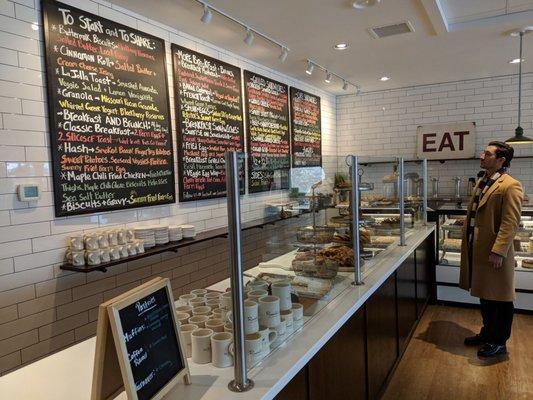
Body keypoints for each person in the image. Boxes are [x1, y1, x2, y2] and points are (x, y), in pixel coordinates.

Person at [459, 141, 523, 358]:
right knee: (486, 296)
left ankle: (499, 342)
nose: (481, 156)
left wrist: (499, 251)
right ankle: (487, 333)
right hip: (478, 249)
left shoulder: (510, 185)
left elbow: (510, 221)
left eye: (487, 153)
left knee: (501, 298)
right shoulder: (483, 181)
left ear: (500, 159)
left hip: (495, 252)